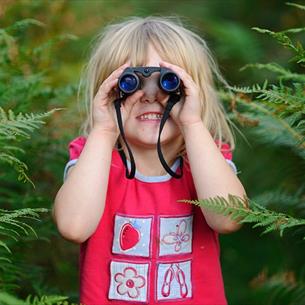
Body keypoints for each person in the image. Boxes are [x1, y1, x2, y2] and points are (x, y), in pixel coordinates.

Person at [53, 16, 247, 305]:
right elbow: (73, 226)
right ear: (107, 92)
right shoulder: (94, 158)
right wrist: (104, 130)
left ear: (192, 92)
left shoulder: (205, 160)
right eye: (130, 82)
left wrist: (192, 123)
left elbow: (230, 217)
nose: (150, 95)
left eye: (168, 82)